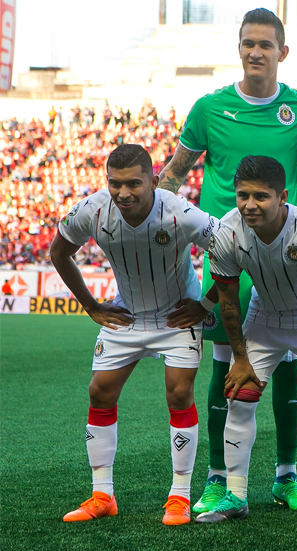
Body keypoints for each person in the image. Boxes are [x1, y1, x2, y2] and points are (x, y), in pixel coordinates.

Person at [156, 8, 297, 514]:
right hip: (226, 252)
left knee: (287, 359)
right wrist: (156, 228)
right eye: (248, 43)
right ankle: (218, 478)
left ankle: (285, 476)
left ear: (282, 52)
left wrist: (282, 204)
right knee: (227, 361)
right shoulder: (209, 108)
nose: (255, 52)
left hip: (283, 255)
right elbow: (175, 173)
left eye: (265, 45)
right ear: (239, 48)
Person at [53, 144, 218, 526]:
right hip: (125, 315)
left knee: (178, 394)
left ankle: (179, 497)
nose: (123, 193)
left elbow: (232, 251)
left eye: (133, 184)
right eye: (114, 183)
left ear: (154, 181)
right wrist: (91, 306)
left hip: (177, 316)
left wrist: (205, 304)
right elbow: (59, 252)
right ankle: (102, 494)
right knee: (100, 391)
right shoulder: (93, 210)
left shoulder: (179, 212)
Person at [195, 156, 297, 529]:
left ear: (282, 196)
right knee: (239, 397)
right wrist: (241, 359)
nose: (249, 204)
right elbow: (228, 301)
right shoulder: (226, 233)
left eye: (260, 196)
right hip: (263, 317)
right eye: (242, 195)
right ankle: (237, 495)